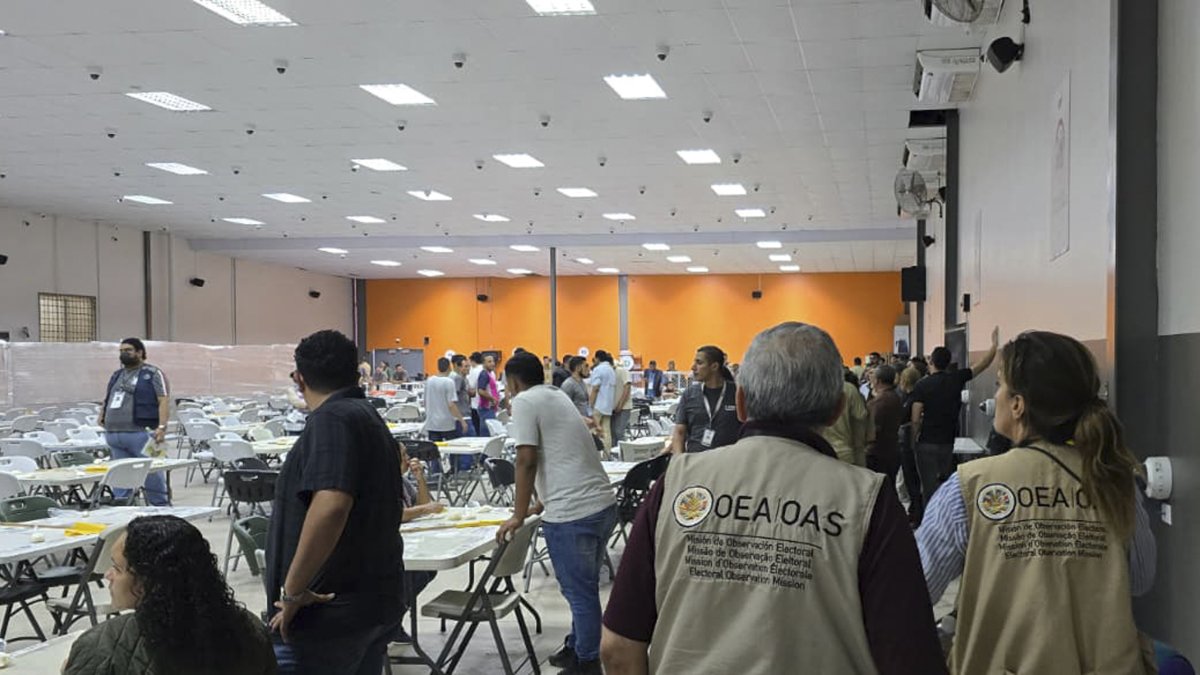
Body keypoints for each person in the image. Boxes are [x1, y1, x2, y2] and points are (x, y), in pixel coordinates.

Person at [600, 322, 946, 675]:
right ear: (837, 409)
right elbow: (911, 659)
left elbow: (618, 648)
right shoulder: (868, 502)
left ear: (741, 402)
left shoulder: (675, 484)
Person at [917, 331, 1156, 674]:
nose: (995, 396)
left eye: (999, 385)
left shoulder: (970, 487)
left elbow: (913, 590)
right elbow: (1140, 579)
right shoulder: (1116, 481)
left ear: (1017, 404)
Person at [266, 329, 404, 674]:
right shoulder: (365, 415)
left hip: (330, 611)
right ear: (356, 372)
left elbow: (331, 506)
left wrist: (295, 591)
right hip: (369, 601)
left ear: (299, 379)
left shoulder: (332, 420)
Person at [496, 352, 618, 675]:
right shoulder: (557, 395)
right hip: (602, 505)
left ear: (513, 381)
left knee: (580, 593)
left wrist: (518, 514)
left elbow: (526, 459)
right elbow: (558, 452)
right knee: (583, 587)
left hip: (573, 513)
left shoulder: (524, 401)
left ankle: (588, 662)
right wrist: (539, 503)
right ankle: (579, 647)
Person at [64, 515, 276, 674]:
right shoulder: (250, 630)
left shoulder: (100, 648)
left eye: (117, 569)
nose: (108, 576)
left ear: (146, 582)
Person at [910, 327, 999, 507]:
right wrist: (994, 346)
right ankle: (946, 512)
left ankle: (929, 519)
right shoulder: (956, 379)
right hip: (948, 440)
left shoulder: (922, 385)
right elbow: (981, 365)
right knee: (945, 483)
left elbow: (915, 417)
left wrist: (914, 439)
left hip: (926, 440)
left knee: (928, 486)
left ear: (930, 362)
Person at [99, 338, 171, 506]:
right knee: (121, 475)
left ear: (140, 352)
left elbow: (164, 400)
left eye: (128, 350)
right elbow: (107, 397)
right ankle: (124, 505)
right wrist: (102, 416)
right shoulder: (116, 375)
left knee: (154, 471)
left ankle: (160, 506)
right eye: (121, 351)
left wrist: (162, 427)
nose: (124, 353)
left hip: (143, 432)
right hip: (114, 433)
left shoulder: (153, 373)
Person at [396, 443, 445, 641]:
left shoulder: (402, 482)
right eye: (403, 455)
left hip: (411, 539)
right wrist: (425, 510)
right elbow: (396, 514)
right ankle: (391, 621)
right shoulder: (379, 483)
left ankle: (395, 618)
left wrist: (420, 479)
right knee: (411, 576)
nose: (408, 458)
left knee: (427, 571)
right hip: (393, 545)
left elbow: (424, 504)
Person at [668, 346, 740, 454]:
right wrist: (679, 460)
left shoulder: (737, 393)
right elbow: (679, 432)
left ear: (714, 366)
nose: (693, 367)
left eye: (699, 363)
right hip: (696, 461)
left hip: (728, 462)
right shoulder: (689, 394)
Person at [867, 365, 904, 485]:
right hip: (892, 449)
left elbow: (874, 429)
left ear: (878, 381)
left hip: (878, 453)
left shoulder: (879, 402)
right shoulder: (895, 397)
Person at [821, 377, 870, 466]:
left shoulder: (806, 388)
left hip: (814, 455)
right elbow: (860, 423)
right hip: (845, 456)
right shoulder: (849, 389)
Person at [423, 357, 469, 442]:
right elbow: (451, 404)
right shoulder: (449, 382)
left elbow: (425, 402)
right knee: (452, 451)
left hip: (432, 423)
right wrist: (462, 421)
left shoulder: (429, 381)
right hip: (447, 424)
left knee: (436, 451)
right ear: (449, 367)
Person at [588, 351, 617, 452]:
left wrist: (590, 404)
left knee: (592, 430)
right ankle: (607, 454)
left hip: (597, 405)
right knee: (606, 432)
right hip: (608, 406)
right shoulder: (611, 370)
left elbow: (595, 388)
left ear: (597, 358)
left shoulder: (598, 369)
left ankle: (593, 455)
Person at [449, 354, 475, 436]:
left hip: (465, 414)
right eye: (466, 366)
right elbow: (452, 399)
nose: (468, 368)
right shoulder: (457, 378)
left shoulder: (464, 378)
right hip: (462, 416)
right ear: (457, 366)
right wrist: (461, 420)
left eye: (469, 366)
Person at [476, 353, 501, 435]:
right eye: (489, 362)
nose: (492, 363)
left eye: (493, 361)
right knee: (487, 433)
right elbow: (481, 391)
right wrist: (492, 399)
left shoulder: (490, 374)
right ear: (483, 363)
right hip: (486, 408)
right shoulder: (484, 374)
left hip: (491, 408)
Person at [611, 360, 634, 443]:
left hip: (624, 407)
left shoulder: (622, 371)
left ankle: (623, 452)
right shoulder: (609, 373)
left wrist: (620, 405)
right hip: (613, 408)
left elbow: (627, 387)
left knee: (619, 432)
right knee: (612, 433)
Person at [467, 352, 485, 436]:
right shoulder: (489, 370)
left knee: (477, 428)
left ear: (473, 361)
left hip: (476, 403)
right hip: (486, 403)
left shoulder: (474, 371)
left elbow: (471, 387)